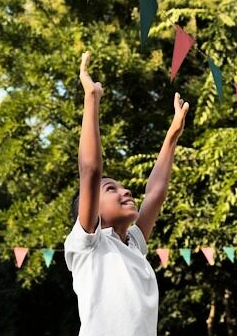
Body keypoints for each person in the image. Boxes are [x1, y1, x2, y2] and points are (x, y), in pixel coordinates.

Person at [64, 51, 190, 335]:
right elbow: (90, 170)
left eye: (121, 186)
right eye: (111, 189)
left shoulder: (132, 244)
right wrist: (91, 97)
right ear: (92, 209)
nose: (125, 190)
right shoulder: (89, 244)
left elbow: (155, 193)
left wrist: (172, 135)